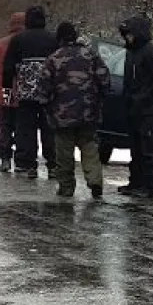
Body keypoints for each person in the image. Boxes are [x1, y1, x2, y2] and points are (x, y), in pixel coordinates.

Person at [39, 22, 111, 199]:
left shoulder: (54, 58)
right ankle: (95, 182)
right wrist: (99, 99)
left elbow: (44, 88)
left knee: (64, 152)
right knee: (89, 148)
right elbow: (105, 80)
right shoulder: (91, 55)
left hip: (62, 115)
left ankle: (66, 187)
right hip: (89, 113)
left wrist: (46, 105)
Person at [1, 5, 58, 179]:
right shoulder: (53, 39)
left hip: (26, 93)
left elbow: (8, 67)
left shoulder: (18, 39)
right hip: (48, 94)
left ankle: (26, 164)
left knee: (25, 129)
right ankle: (53, 164)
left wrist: (7, 91)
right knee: (49, 129)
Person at [119, 15, 153, 198]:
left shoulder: (151, 52)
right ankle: (136, 182)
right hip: (134, 108)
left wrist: (142, 97)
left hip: (149, 110)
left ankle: (152, 186)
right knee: (135, 148)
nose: (127, 38)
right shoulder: (131, 53)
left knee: (149, 148)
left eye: (130, 34)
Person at [0, 12, 25, 173]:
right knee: (23, 127)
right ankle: (22, 161)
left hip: (5, 92)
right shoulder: (28, 42)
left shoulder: (0, 44)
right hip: (24, 93)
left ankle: (5, 158)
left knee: (5, 125)